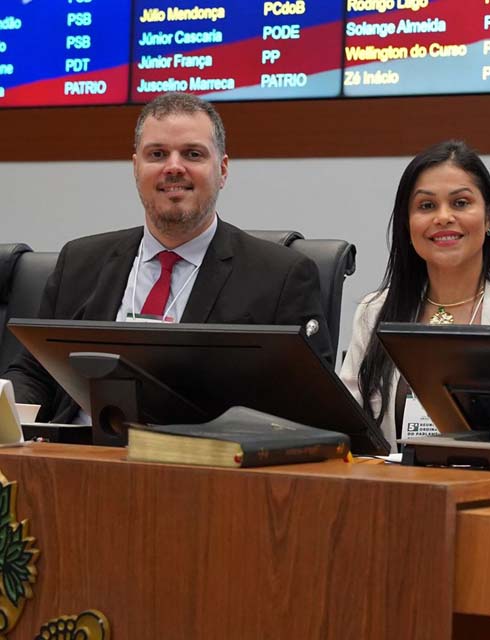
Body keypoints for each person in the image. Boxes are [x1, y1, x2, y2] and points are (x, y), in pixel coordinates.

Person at [3, 92, 330, 423]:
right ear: (136, 168)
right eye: (157, 154)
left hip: (202, 465)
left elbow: (307, 407)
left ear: (223, 170)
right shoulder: (80, 261)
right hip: (75, 459)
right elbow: (34, 373)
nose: (174, 168)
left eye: (192, 154)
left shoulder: (280, 277)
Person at [340, 140, 490, 451]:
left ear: (489, 217)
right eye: (426, 206)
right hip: (400, 489)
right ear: (407, 224)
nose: (443, 217)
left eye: (460, 203)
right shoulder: (375, 312)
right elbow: (348, 427)